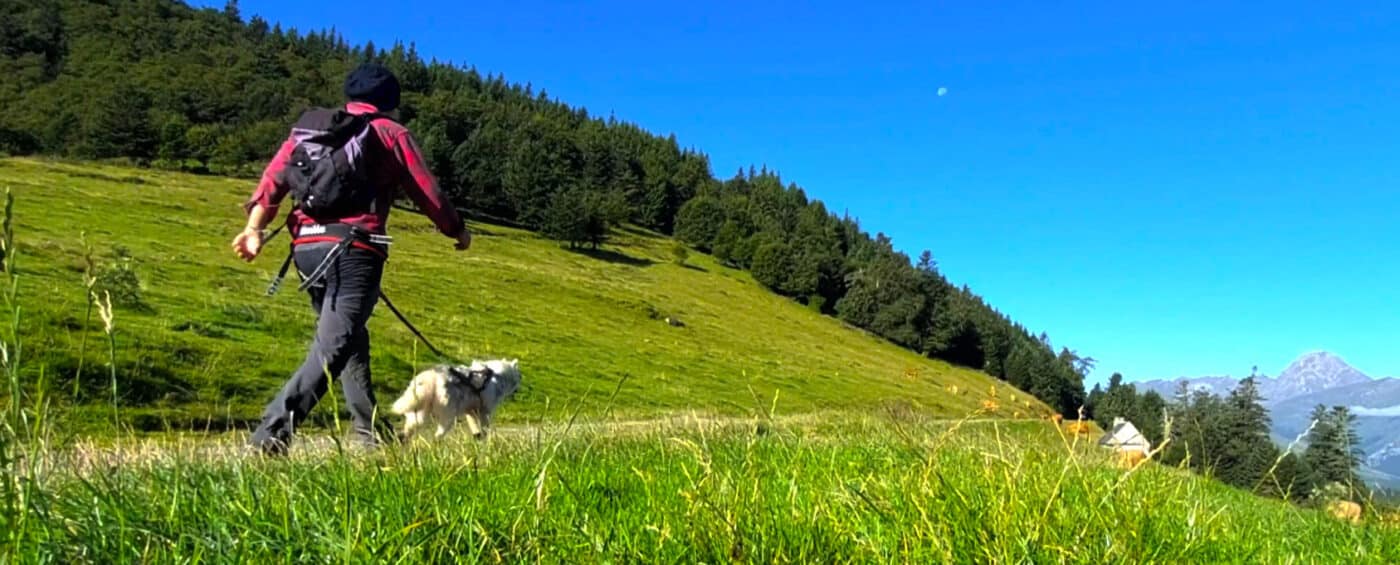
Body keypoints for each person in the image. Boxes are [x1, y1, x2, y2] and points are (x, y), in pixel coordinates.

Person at [231, 63, 472, 454]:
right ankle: (270, 437)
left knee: (349, 342)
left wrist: (254, 228)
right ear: (391, 102)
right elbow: (427, 191)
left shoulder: (309, 131)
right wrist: (456, 230)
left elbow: (273, 180)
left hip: (306, 250)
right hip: (355, 250)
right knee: (333, 347)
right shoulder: (389, 132)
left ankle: (369, 433)